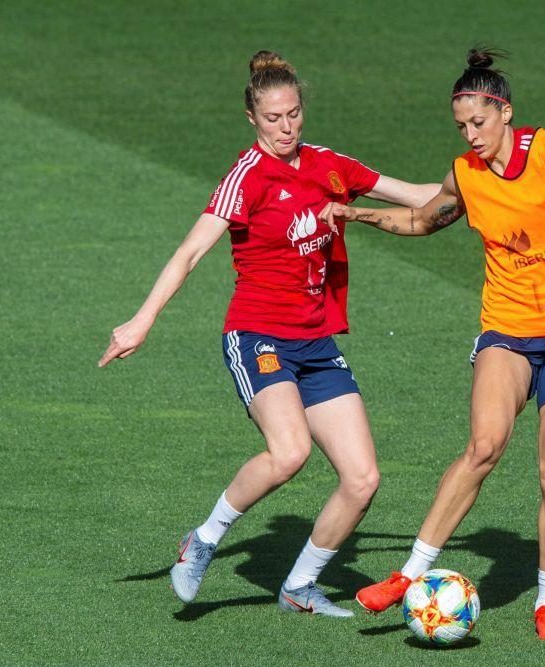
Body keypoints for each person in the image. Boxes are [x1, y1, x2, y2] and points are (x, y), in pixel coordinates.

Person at [98, 51, 438, 617]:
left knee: (362, 479)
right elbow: (189, 253)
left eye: (295, 114)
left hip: (317, 342)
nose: (286, 128)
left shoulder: (330, 165)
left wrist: (495, 188)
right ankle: (202, 541)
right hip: (259, 336)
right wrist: (143, 319)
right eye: (274, 118)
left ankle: (299, 587)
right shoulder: (246, 178)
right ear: (252, 119)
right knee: (289, 453)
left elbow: (417, 194)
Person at [320, 47, 545, 640]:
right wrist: (360, 215)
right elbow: (423, 220)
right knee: (484, 446)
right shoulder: (466, 176)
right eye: (461, 126)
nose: (470, 134)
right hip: (508, 326)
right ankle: (408, 576)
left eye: (478, 121)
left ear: (504, 112)